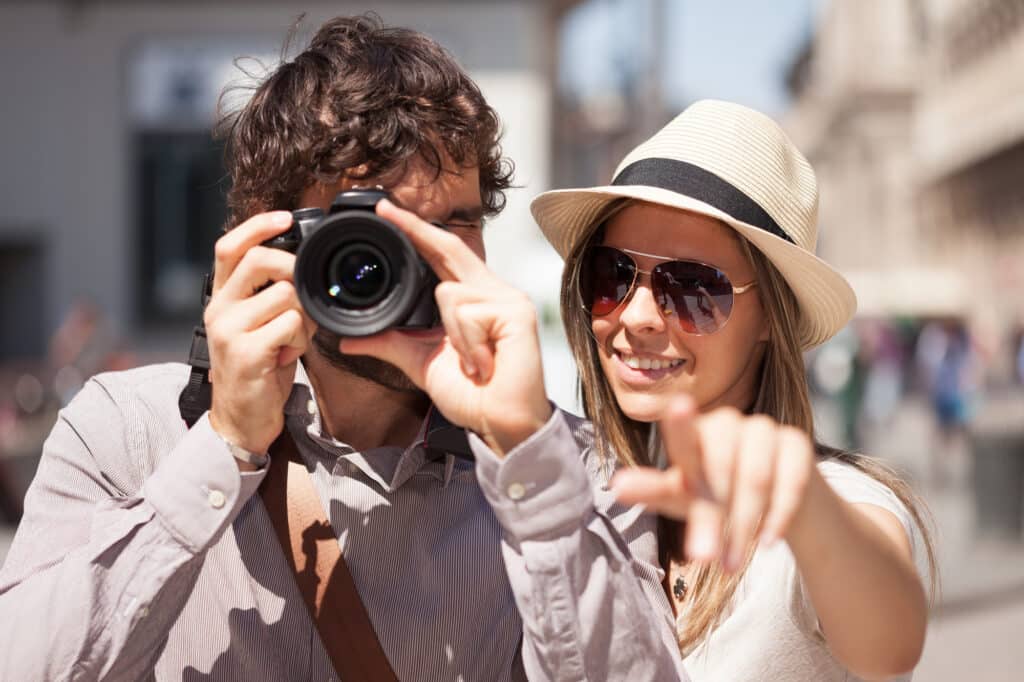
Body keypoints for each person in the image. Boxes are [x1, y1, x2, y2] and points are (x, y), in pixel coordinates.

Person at [0, 16, 687, 681]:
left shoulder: (572, 468)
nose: (416, 267)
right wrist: (221, 450)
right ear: (273, 240)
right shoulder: (125, 431)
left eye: (453, 225)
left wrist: (527, 458)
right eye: (376, 239)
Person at [526, 100, 937, 681]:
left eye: (693, 287)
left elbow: (890, 643)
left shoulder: (827, 501)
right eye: (610, 275)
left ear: (771, 316)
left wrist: (808, 509)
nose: (637, 315)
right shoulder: (570, 494)